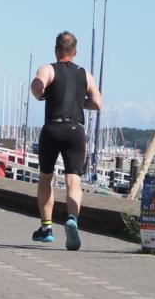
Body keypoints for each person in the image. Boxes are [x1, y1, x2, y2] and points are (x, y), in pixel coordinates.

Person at [29, 31, 103, 251]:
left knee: (46, 178)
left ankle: (46, 228)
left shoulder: (48, 68)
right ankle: (72, 219)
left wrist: (41, 94)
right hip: (75, 130)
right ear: (75, 52)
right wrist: (81, 104)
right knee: (73, 181)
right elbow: (98, 104)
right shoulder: (85, 74)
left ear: (56, 50)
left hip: (52, 128)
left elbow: (37, 85)